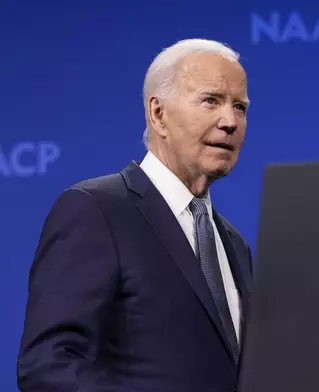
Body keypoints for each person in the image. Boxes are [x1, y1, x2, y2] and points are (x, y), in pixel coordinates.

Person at [17, 38, 253, 392]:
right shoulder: (96, 209)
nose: (230, 121)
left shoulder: (234, 244)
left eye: (240, 107)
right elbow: (48, 364)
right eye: (211, 101)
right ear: (158, 114)